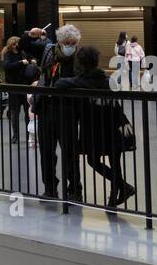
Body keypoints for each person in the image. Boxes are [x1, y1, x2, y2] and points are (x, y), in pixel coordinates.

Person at [54, 46, 134, 208]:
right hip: (114, 125)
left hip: (95, 129)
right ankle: (115, 197)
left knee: (93, 160)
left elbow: (59, 83)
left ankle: (124, 186)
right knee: (115, 161)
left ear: (81, 63)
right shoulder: (106, 78)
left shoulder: (81, 81)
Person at [35, 23, 83, 201]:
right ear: (61, 41)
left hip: (68, 109)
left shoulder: (80, 55)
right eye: (67, 42)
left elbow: (84, 78)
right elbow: (26, 45)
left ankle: (75, 189)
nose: (71, 46)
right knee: (46, 151)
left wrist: (66, 84)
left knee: (70, 152)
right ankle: (49, 187)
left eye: (73, 43)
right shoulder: (49, 50)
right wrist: (31, 35)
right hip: (46, 107)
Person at [0, 36, 38, 143]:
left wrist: (32, 62)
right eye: (16, 43)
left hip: (25, 86)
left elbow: (32, 60)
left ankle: (28, 135)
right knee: (15, 113)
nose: (17, 45)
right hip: (14, 87)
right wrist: (21, 62)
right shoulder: (8, 54)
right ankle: (15, 135)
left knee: (28, 112)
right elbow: (7, 66)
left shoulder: (23, 53)